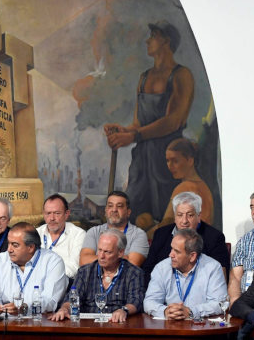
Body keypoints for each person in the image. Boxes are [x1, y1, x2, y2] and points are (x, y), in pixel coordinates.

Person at [105, 21, 194, 227]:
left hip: (167, 157)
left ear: (166, 41)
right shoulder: (144, 78)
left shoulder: (181, 75)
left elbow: (173, 121)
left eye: (153, 36)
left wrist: (133, 136)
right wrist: (123, 131)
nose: (148, 40)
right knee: (136, 214)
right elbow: (139, 123)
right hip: (142, 159)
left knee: (166, 217)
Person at [50, 230, 145, 323]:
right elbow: (72, 298)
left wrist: (124, 310)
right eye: (99, 250)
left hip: (117, 324)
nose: (101, 256)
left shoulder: (134, 273)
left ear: (120, 253)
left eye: (107, 252)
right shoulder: (85, 272)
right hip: (87, 325)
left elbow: (136, 300)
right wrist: (64, 309)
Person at [0, 222, 67, 315]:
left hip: (39, 320)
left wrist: (24, 308)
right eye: (8, 243)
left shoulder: (52, 262)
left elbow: (50, 301)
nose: (9, 249)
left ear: (31, 247)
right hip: (4, 320)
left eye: (15, 245)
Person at [142, 191, 229, 285]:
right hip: (164, 289)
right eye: (180, 215)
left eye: (190, 215)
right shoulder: (161, 234)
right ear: (175, 217)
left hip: (198, 290)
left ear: (198, 216)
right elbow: (148, 270)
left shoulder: (214, 237)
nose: (184, 221)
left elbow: (220, 277)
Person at [143, 228, 226, 319]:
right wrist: (166, 311)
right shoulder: (162, 268)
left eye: (177, 251)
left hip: (200, 325)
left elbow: (220, 304)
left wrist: (191, 312)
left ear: (192, 256)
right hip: (170, 324)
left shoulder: (212, 268)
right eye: (171, 248)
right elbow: (149, 301)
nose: (170, 255)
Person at [150, 138, 213, 233]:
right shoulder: (204, 187)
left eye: (175, 161)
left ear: (190, 161)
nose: (170, 166)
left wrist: (144, 235)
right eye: (168, 161)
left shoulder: (184, 188)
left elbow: (165, 226)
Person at [80, 191, 148, 267]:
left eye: (119, 206)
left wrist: (99, 258)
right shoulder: (94, 232)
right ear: (106, 210)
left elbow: (132, 264)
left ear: (128, 212)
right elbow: (84, 261)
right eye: (110, 206)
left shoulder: (138, 235)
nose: (114, 210)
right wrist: (122, 258)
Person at [36, 194, 86, 279]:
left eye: (57, 213)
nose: (52, 218)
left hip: (66, 282)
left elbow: (73, 268)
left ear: (66, 214)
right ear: (43, 214)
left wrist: (47, 275)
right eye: (48, 213)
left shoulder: (78, 235)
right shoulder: (36, 233)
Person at [229, 190, 254, 305]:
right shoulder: (245, 240)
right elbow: (235, 277)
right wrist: (235, 303)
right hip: (245, 302)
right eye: (252, 207)